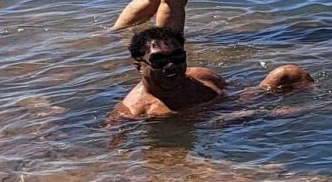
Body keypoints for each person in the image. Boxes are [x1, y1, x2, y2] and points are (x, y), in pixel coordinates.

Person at [107, 25, 313, 122]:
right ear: (139, 66)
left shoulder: (201, 76)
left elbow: (239, 93)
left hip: (233, 111)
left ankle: (323, 104)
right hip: (218, 127)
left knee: (288, 72)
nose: (171, 66)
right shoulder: (136, 111)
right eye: (159, 60)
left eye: (178, 58)